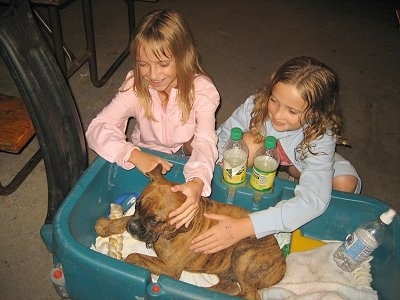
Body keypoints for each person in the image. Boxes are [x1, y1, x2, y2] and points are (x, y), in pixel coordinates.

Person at [190, 56, 361, 254]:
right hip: (262, 151)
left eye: (292, 111)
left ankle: (293, 172)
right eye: (274, 100)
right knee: (246, 143)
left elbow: (313, 199)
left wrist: (243, 227)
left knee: (345, 184)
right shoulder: (255, 105)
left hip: (301, 160)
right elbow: (221, 138)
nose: (278, 115)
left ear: (316, 113)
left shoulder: (321, 133)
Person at [86, 9, 220, 228]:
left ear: (183, 56)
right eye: (143, 64)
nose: (153, 75)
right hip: (144, 153)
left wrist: (197, 181)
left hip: (184, 158)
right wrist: (133, 154)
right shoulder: (134, 85)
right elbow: (97, 128)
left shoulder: (203, 90)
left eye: (163, 64)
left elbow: (205, 140)